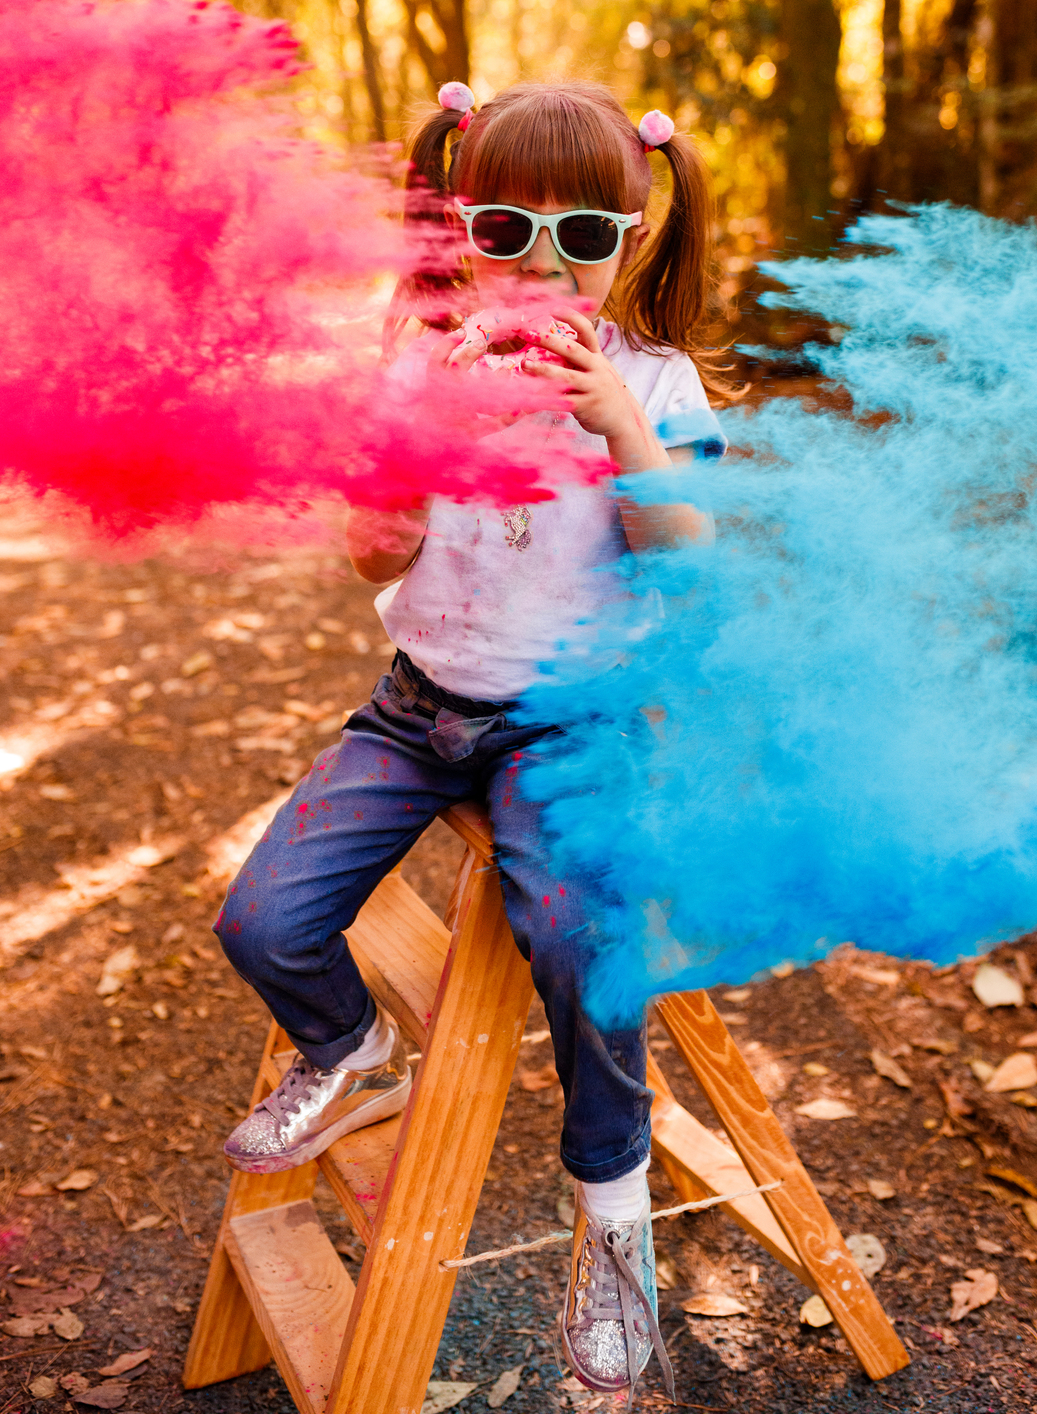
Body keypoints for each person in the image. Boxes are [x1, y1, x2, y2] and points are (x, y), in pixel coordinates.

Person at [214, 80, 731, 1404]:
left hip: (567, 727)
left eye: (585, 235)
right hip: (417, 709)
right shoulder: (419, 360)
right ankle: (348, 1051)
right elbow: (369, 553)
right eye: (509, 230)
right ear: (461, 239)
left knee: (578, 938)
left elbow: (691, 569)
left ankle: (610, 1215)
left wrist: (617, 425)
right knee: (263, 922)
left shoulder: (658, 383)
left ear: (634, 240)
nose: (546, 266)